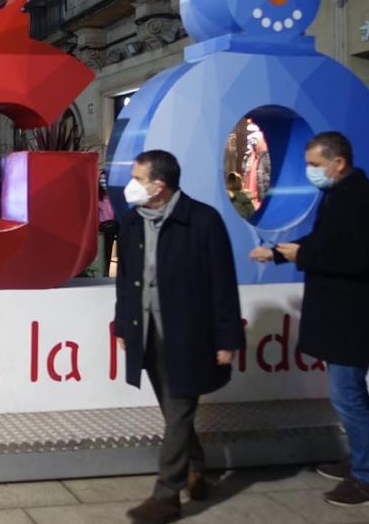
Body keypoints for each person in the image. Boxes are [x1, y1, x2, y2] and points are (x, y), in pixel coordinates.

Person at [250, 131, 369, 508]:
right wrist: (281, 254)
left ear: (338, 162)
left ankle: (367, 480)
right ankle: (362, 462)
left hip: (352, 317)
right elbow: (323, 243)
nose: (310, 171)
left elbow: (355, 259)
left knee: (348, 396)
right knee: (349, 395)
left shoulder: (361, 201)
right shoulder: (341, 197)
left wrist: (300, 256)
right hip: (343, 315)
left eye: (314, 164)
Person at [115, 150, 244, 524]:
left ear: (160, 185)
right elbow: (126, 280)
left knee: (178, 411)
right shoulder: (132, 222)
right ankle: (196, 466)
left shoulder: (202, 221)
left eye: (138, 179)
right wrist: (123, 325)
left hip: (189, 336)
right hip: (147, 331)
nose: (131, 186)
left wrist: (227, 339)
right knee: (174, 410)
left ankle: (166, 496)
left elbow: (222, 284)